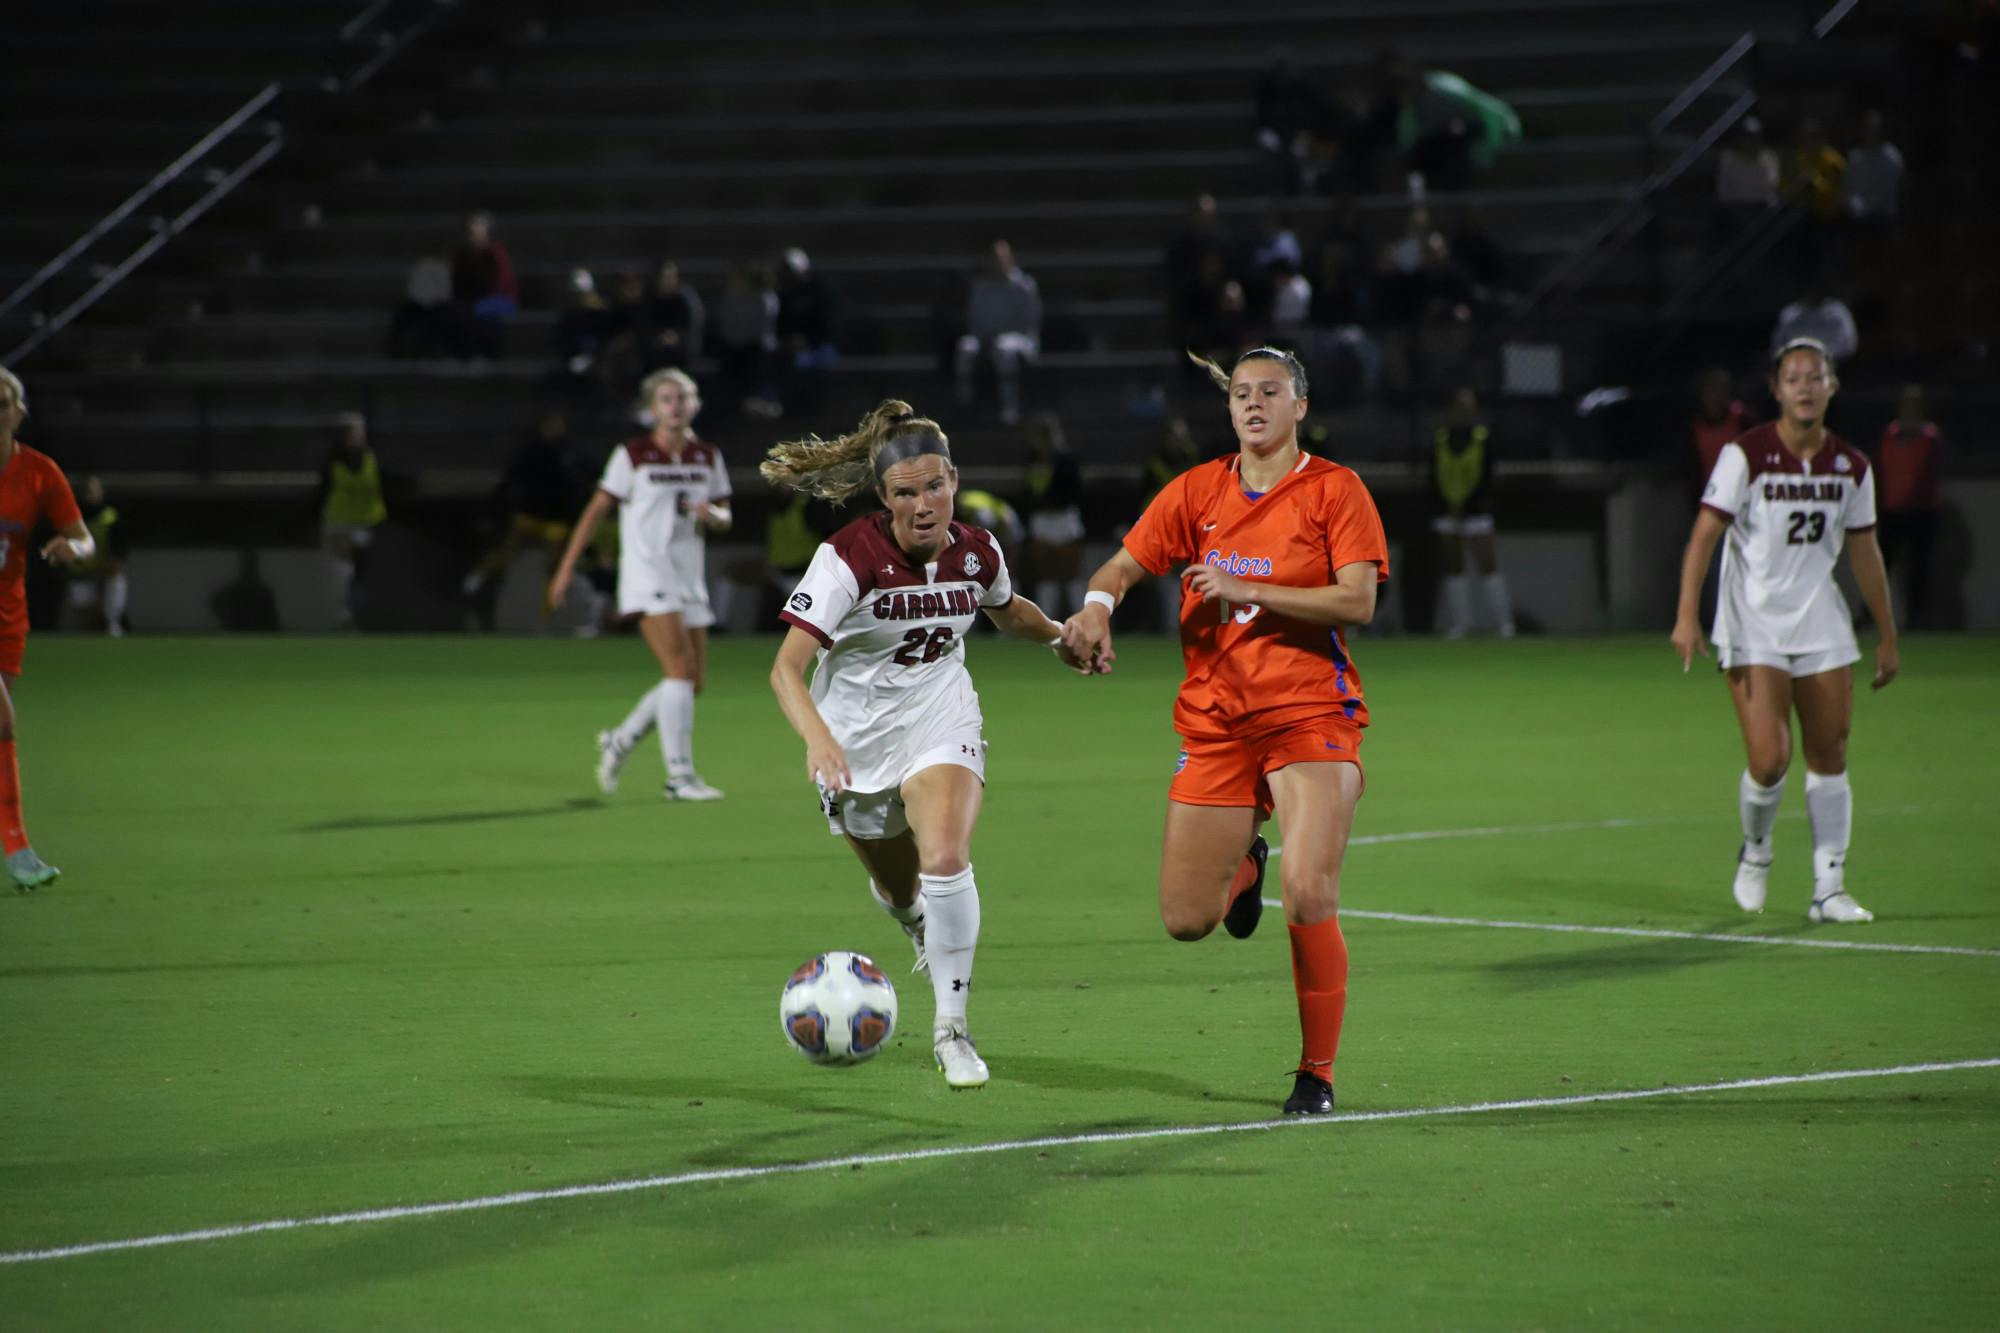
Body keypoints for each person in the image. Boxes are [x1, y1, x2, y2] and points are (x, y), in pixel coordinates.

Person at [1060, 347, 1389, 1116]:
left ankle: (1316, 1073)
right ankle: (1246, 866)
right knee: (1186, 919)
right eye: (1241, 392)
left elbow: (1358, 601)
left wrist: (1250, 588)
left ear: (1299, 406)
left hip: (1311, 711)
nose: (1253, 404)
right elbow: (1120, 568)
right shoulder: (1197, 490)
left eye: (1270, 391)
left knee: (1312, 892)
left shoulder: (1335, 491)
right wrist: (1095, 611)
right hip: (1215, 721)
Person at [761, 400, 1081, 1088]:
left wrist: (1058, 636)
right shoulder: (848, 556)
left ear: (954, 480)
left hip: (941, 714)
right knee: (899, 885)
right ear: (884, 497)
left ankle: (952, 1029)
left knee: (945, 855)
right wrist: (817, 736)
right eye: (906, 492)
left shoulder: (977, 548)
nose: (924, 503)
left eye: (935, 485)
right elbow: (785, 667)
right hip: (852, 740)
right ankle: (914, 921)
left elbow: (1006, 608)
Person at [1671, 338, 1897, 925]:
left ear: (1832, 386)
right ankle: (1757, 848)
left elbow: (1865, 552)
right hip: (1751, 619)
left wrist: (1889, 635)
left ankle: (1829, 889)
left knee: (1830, 753)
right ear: (1776, 389)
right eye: (1792, 377)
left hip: (1820, 619)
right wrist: (1687, 613)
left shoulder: (1852, 466)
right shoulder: (1745, 455)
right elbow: (1704, 534)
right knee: (1771, 758)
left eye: (1814, 376)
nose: (1804, 386)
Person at [547, 369, 731, 801]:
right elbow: (595, 512)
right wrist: (565, 569)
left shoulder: (707, 456)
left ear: (695, 404)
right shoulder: (632, 455)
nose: (676, 405)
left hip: (689, 578)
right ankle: (679, 778)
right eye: (667, 398)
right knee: (679, 675)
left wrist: (715, 516)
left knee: (690, 682)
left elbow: (724, 515)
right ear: (651, 410)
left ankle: (621, 740)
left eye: (684, 397)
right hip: (648, 575)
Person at [0, 366, 91, 889]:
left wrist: (72, 548)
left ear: (19, 412)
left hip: (8, 617)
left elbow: (84, 539)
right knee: (3, 719)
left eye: (3, 403)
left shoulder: (38, 472)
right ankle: (18, 849)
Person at [462, 410, 585, 623]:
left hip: (556, 519)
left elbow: (580, 482)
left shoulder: (569, 452)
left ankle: (549, 610)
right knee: (506, 551)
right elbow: (509, 480)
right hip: (529, 514)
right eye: (550, 424)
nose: (554, 429)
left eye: (557, 424)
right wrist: (492, 509)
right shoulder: (530, 451)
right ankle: (478, 577)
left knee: (554, 564)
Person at [1427, 386, 1514, 637]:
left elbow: (1488, 477)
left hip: (1476, 511)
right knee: (1453, 565)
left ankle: (1504, 623)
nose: (1463, 412)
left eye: (1468, 407)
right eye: (1459, 407)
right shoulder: (1441, 439)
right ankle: (1462, 623)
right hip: (1447, 510)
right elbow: (1434, 475)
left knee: (1487, 563)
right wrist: (1447, 506)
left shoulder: (1482, 439)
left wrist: (1471, 505)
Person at [1872, 384, 1943, 628]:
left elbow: (1929, 473)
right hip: (1892, 510)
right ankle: (1871, 615)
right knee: (1881, 565)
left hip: (1921, 511)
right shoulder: (1890, 433)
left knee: (1919, 569)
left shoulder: (1930, 436)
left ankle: (1918, 618)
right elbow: (1881, 469)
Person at [955, 240, 1042, 426]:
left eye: (1001, 258)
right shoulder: (980, 287)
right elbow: (974, 322)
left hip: (1019, 340)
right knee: (965, 347)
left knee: (1003, 348)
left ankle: (1009, 407)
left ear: (1010, 259)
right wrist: (984, 338)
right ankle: (965, 404)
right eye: (993, 258)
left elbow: (1030, 324)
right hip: (986, 338)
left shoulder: (1025, 286)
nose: (997, 262)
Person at [318, 413, 386, 631]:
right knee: (344, 572)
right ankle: (344, 618)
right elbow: (322, 492)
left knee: (364, 574)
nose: (359, 436)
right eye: (354, 432)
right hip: (341, 523)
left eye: (361, 432)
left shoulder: (371, 457)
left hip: (366, 522)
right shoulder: (333, 461)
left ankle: (362, 617)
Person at [1022, 413, 1086, 618]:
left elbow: (1074, 489)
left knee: (1070, 573)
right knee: (1046, 574)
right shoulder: (1032, 461)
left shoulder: (1067, 460)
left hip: (1064, 517)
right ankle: (1046, 620)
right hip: (1042, 520)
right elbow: (1029, 491)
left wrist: (1055, 502)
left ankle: (1082, 618)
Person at [63, 475, 129, 635]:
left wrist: (113, 563)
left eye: (94, 491)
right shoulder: (71, 516)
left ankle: (112, 623)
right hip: (81, 572)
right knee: (84, 612)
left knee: (117, 582)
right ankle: (92, 629)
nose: (90, 494)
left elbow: (120, 545)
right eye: (87, 491)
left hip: (105, 570)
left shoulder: (110, 516)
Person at [450, 212, 518, 360]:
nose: (477, 235)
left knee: (481, 314)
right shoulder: (464, 255)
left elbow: (502, 282)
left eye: (481, 231)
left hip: (500, 298)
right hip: (472, 300)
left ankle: (487, 355)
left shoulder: (496, 254)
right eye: (474, 231)